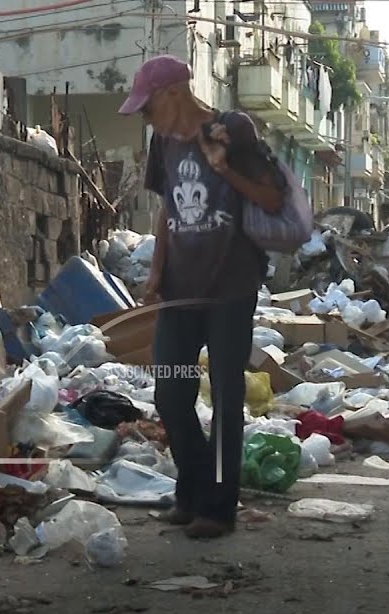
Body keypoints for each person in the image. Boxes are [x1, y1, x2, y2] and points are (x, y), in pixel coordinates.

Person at [120, 55, 284, 539]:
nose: (147, 119)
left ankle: (217, 507)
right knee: (171, 392)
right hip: (180, 290)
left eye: (148, 109)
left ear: (174, 94)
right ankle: (191, 490)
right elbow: (167, 208)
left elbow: (271, 198)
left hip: (230, 288)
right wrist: (155, 270)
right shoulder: (162, 144)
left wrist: (222, 167)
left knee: (227, 398)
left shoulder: (234, 130)